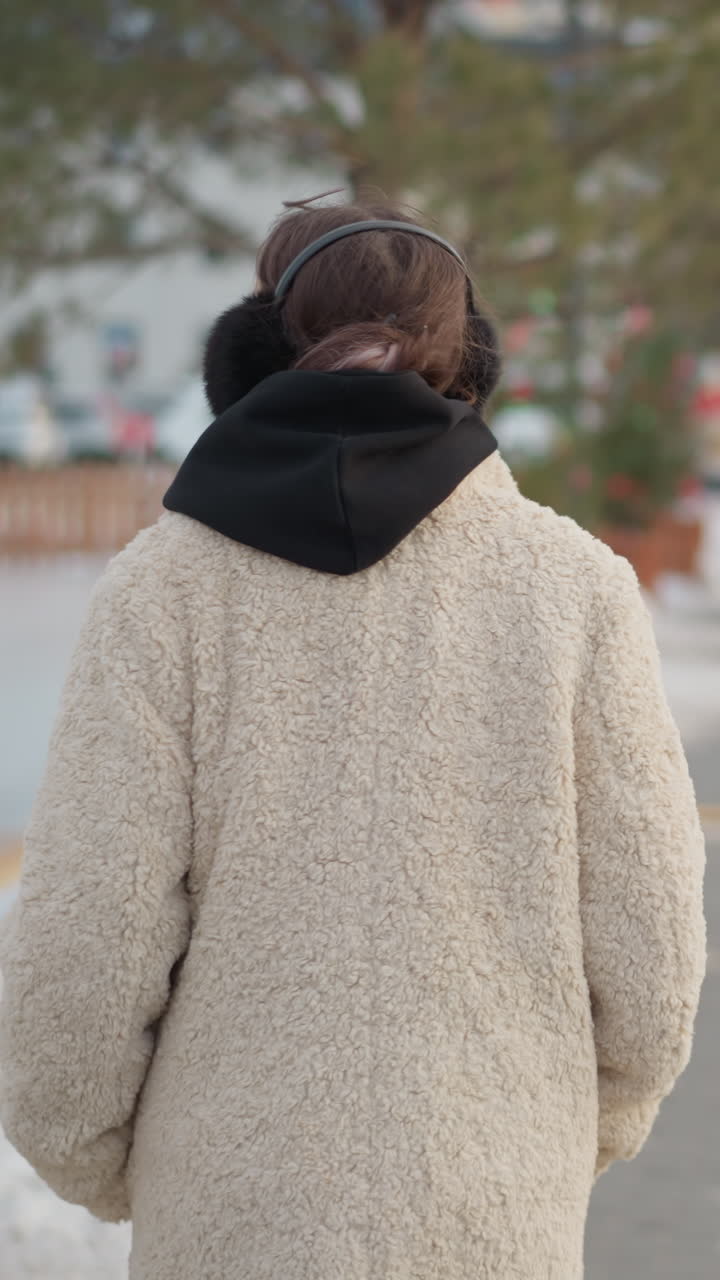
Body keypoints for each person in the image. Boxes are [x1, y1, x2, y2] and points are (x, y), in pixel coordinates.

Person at [0, 195, 707, 1280]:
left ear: (254, 352)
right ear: (468, 358)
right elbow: (652, 951)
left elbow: (84, 943)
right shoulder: (575, 590)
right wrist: (554, 1133)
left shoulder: (163, 593)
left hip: (230, 1216)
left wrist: (111, 1163)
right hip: (496, 1209)